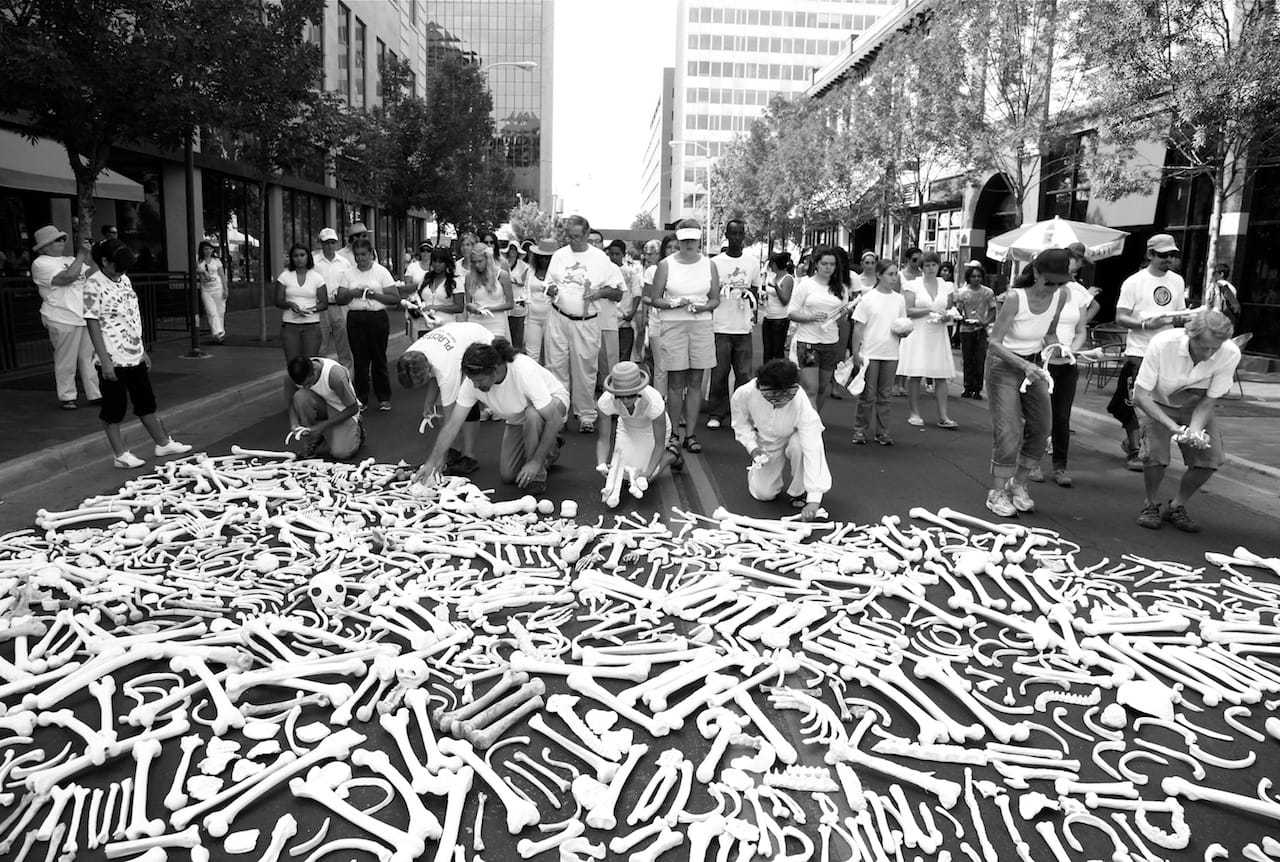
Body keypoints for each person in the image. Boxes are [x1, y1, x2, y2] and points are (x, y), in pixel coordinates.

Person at [82, 239, 191, 468]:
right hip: (112, 356)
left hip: (133, 352)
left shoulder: (125, 280)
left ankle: (162, 442)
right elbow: (92, 323)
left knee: (145, 401)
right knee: (114, 407)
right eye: (117, 267)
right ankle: (120, 454)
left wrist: (140, 349)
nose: (121, 272)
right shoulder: (93, 285)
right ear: (104, 262)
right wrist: (105, 360)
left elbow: (131, 315)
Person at [982, 248, 1073, 517]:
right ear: (1035, 273)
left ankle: (1018, 484)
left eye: (1060, 283)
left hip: (1034, 365)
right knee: (1008, 430)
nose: (1053, 288)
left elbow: (1051, 332)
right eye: (1049, 282)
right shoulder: (1014, 298)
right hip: (1005, 366)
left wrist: (1059, 348)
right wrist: (1024, 365)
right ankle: (996, 491)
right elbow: (994, 343)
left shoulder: (1061, 296)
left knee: (1043, 424)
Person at [1132, 310, 1241, 532]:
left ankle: (1177, 506)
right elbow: (1140, 396)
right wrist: (1173, 429)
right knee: (1156, 455)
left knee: (1210, 458)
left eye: (1215, 348)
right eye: (1204, 347)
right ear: (1190, 336)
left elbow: (1210, 400)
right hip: (1155, 401)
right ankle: (1151, 504)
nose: (1209, 353)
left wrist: (1193, 431)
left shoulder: (1230, 353)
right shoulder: (1163, 343)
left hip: (1196, 404)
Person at [416, 339, 568, 494]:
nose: (476, 386)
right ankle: (551, 446)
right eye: (473, 381)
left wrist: (535, 462)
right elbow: (452, 425)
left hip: (551, 403)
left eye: (480, 380)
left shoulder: (522, 370)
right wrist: (431, 462)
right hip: (518, 417)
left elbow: (554, 420)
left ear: (495, 370)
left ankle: (538, 476)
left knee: (533, 415)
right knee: (509, 475)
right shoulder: (472, 383)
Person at [1108, 234, 1190, 471]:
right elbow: (1120, 316)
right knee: (1137, 400)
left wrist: (1186, 319)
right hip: (1140, 351)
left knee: (1160, 401)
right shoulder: (1134, 282)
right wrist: (1144, 325)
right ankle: (1135, 450)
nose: (1168, 260)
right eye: (1163, 255)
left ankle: (1137, 442)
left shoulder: (1176, 281)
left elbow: (1179, 313)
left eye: (1172, 255)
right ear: (1150, 255)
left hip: (1168, 351)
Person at [544, 215, 626, 434]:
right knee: (556, 367)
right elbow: (549, 283)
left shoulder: (601, 258)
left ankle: (586, 414)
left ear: (587, 235)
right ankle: (558, 415)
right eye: (569, 237)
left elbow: (618, 292)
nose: (573, 241)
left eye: (577, 237)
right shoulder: (560, 256)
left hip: (586, 321)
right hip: (559, 316)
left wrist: (599, 293)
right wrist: (551, 290)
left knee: (585, 369)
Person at [647, 219, 721, 453]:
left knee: (696, 382)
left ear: (699, 239)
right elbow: (655, 298)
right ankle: (673, 434)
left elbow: (715, 299)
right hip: (674, 325)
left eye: (693, 239)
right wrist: (674, 303)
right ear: (678, 240)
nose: (689, 244)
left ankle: (690, 434)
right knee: (676, 383)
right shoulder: (666, 265)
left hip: (700, 325)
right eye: (685, 239)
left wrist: (703, 307)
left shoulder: (709, 265)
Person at [730, 358, 832, 522]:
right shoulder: (745, 393)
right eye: (772, 395)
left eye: (786, 395)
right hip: (766, 443)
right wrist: (753, 447)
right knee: (764, 494)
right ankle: (756, 474)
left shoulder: (800, 400)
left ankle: (800, 491)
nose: (780, 400)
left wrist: (814, 499)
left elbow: (813, 445)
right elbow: (740, 424)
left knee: (799, 446)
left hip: (794, 437)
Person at [395, 320, 495, 476]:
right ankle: (453, 450)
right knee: (439, 404)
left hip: (479, 341)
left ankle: (470, 457)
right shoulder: (411, 355)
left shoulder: (446, 368)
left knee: (466, 401)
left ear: (427, 371)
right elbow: (434, 376)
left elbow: (451, 420)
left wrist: (439, 458)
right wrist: (429, 402)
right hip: (455, 340)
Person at [1030, 262, 1097, 486]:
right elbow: (1039, 327)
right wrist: (1051, 348)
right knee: (1040, 416)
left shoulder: (1078, 294)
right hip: (1043, 360)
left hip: (1067, 362)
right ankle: (1033, 462)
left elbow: (1081, 330)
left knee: (1062, 417)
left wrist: (1072, 351)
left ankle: (1060, 467)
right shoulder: (1043, 293)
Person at [30, 225, 102, 410]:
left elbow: (91, 274)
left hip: (82, 314)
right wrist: (80, 255)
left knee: (89, 357)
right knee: (66, 358)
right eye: (57, 240)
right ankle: (67, 396)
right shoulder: (41, 263)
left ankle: (95, 394)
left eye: (62, 239)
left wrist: (92, 255)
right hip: (60, 315)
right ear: (44, 247)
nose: (62, 242)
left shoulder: (70, 259)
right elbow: (68, 277)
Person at [595, 361, 682, 502]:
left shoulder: (653, 400)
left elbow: (659, 444)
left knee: (644, 478)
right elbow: (603, 439)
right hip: (626, 428)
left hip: (651, 431)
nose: (625, 400)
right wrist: (602, 463)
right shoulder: (605, 401)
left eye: (630, 395)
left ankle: (671, 455)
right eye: (619, 395)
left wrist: (647, 474)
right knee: (621, 475)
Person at [706, 218, 761, 429]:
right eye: (733, 234)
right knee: (719, 372)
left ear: (744, 236)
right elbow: (709, 292)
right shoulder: (716, 263)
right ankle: (716, 413)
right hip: (720, 325)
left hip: (743, 326)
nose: (737, 238)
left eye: (740, 234)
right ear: (727, 236)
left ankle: (742, 415)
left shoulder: (752, 262)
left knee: (744, 375)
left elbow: (756, 288)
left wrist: (748, 297)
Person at [849, 260, 909, 446]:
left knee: (885, 395)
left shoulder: (899, 299)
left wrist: (905, 331)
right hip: (870, 352)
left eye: (895, 274)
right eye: (890, 274)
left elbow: (901, 324)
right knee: (868, 394)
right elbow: (858, 328)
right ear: (879, 275)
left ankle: (882, 432)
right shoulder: (868, 299)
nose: (894, 278)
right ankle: (860, 430)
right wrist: (855, 352)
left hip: (891, 352)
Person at [786, 245, 851, 413]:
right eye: (824, 263)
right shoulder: (805, 285)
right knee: (811, 388)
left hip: (830, 343)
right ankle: (809, 427)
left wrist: (844, 314)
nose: (828, 267)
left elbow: (841, 319)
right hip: (808, 343)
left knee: (823, 387)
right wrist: (811, 317)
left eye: (832, 264)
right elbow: (791, 313)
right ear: (816, 264)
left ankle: (813, 419)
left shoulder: (841, 288)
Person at [899, 251, 958, 428]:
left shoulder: (946, 286)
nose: (931, 268)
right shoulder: (912, 285)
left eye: (933, 265)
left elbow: (949, 309)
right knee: (916, 374)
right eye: (927, 265)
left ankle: (943, 415)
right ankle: (914, 413)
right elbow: (908, 310)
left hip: (937, 332)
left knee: (941, 375)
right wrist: (930, 310)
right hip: (919, 332)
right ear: (921, 267)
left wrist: (947, 317)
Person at [340, 237, 400, 411]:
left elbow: (394, 297)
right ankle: (362, 397)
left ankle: (383, 397)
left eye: (363, 255)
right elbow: (340, 299)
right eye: (357, 255)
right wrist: (352, 292)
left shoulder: (381, 272)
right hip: (356, 317)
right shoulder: (348, 273)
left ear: (371, 254)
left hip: (377, 317)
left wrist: (375, 295)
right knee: (360, 360)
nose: (360, 259)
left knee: (379, 358)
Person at [285, 355, 363, 460]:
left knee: (341, 453)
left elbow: (353, 408)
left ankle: (358, 430)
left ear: (314, 369)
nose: (307, 387)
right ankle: (314, 441)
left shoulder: (335, 375)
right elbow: (291, 403)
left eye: (309, 383)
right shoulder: (290, 377)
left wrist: (323, 426)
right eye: (302, 385)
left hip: (342, 409)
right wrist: (294, 424)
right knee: (300, 396)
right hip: (321, 405)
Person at [276, 244, 328, 366]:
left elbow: (324, 303)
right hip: (290, 326)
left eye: (302, 255)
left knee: (309, 364)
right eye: (295, 256)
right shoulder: (285, 276)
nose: (299, 258)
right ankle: (293, 385)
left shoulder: (317, 278)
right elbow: (278, 301)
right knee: (293, 364)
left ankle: (308, 386)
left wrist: (312, 309)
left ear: (308, 257)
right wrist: (290, 304)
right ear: (292, 258)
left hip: (311, 326)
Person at [313, 227, 354, 372]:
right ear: (321, 243)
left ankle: (346, 375)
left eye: (332, 242)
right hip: (321, 307)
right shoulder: (314, 262)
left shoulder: (344, 262)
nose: (330, 246)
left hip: (340, 306)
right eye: (326, 243)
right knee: (321, 344)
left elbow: (350, 282)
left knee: (343, 343)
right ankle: (319, 375)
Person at [955, 264, 997, 399]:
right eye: (973, 276)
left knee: (979, 359)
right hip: (966, 329)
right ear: (968, 278)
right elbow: (958, 311)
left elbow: (993, 310)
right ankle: (967, 386)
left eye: (979, 276)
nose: (976, 279)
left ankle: (977, 388)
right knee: (967, 359)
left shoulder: (988, 292)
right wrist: (962, 318)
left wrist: (986, 321)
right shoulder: (962, 293)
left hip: (981, 329)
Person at [406, 247, 463, 337]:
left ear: (447, 263)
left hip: (446, 327)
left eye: (440, 262)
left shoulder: (455, 281)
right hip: (424, 326)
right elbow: (418, 298)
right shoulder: (426, 278)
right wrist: (416, 306)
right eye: (434, 261)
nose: (436, 264)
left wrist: (437, 307)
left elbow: (459, 307)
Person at [595, 240, 630, 383]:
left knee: (609, 367)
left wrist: (600, 293)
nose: (593, 244)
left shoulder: (611, 268)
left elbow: (618, 294)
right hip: (581, 323)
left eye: (596, 241)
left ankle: (608, 399)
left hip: (607, 323)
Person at [464, 244, 514, 340]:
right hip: (475, 321)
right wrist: (472, 307)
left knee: (494, 351)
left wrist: (490, 308)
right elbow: (468, 304)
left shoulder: (502, 275)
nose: (477, 265)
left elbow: (510, 304)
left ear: (488, 259)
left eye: (480, 261)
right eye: (474, 262)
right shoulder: (469, 277)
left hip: (496, 322)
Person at [893, 247, 924, 396]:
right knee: (899, 350)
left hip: (917, 316)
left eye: (920, 260)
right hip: (902, 315)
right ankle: (895, 383)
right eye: (914, 260)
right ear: (907, 260)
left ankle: (903, 383)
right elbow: (895, 293)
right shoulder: (900, 275)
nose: (917, 263)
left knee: (909, 351)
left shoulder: (922, 275)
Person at [606, 240, 642, 365]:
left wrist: (632, 312)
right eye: (611, 254)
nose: (614, 257)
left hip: (626, 321)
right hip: (608, 321)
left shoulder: (630, 272)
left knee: (624, 358)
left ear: (623, 254)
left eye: (617, 254)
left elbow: (637, 294)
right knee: (608, 357)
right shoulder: (604, 271)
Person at [524, 239, 556, 364]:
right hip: (533, 317)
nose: (544, 260)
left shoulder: (557, 273)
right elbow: (526, 290)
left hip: (551, 317)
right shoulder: (531, 272)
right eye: (541, 257)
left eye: (548, 258)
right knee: (532, 354)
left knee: (551, 354)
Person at [761, 252, 795, 363]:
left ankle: (780, 375)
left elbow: (785, 300)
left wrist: (776, 287)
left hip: (780, 318)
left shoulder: (787, 279)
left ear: (775, 265)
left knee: (777, 350)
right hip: (768, 316)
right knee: (767, 350)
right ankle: (767, 374)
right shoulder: (773, 277)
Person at [196, 240, 228, 344]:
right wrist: (203, 271)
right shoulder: (199, 260)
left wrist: (226, 289)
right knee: (211, 311)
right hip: (206, 289)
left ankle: (220, 335)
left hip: (218, 287)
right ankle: (217, 332)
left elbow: (222, 275)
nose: (208, 251)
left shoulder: (216, 261)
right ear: (202, 250)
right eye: (205, 249)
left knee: (220, 312)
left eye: (210, 249)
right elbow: (194, 269)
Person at [506, 238, 531, 349]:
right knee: (508, 330)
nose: (512, 252)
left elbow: (524, 282)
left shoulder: (524, 266)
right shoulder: (504, 263)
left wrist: (514, 281)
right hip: (506, 299)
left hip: (518, 300)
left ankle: (518, 351)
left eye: (514, 249)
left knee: (518, 330)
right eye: (511, 249)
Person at [1202, 263, 1240, 327]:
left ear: (1221, 274)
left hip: (1214, 321)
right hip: (1227, 322)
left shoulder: (1214, 286)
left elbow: (1208, 306)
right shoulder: (1233, 288)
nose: (1212, 275)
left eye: (1214, 273)